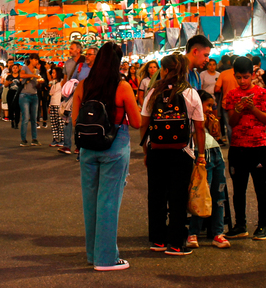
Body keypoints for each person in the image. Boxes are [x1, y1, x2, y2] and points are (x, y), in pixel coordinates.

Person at [72, 42, 141, 271]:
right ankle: (106, 258)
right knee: (109, 202)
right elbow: (137, 121)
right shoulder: (122, 87)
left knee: (90, 202)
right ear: (117, 62)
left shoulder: (84, 85)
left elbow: (74, 120)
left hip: (87, 147)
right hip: (114, 144)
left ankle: (93, 254)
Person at [140, 54, 205, 256]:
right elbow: (200, 128)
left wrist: (146, 150)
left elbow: (144, 124)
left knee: (157, 195)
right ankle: (176, 243)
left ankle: (158, 240)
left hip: (157, 150)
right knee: (178, 196)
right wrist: (201, 154)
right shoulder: (191, 93)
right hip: (182, 151)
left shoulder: (153, 92)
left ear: (165, 70)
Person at [222, 56, 266, 241]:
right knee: (238, 188)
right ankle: (240, 225)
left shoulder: (262, 93)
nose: (242, 81)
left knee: (260, 187)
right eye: (238, 77)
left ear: (252, 75)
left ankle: (263, 225)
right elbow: (232, 123)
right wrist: (238, 109)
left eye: (245, 77)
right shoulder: (232, 95)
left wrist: (253, 109)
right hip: (237, 147)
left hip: (257, 147)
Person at [188, 91, 230, 250]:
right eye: (208, 105)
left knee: (219, 194)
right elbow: (193, 136)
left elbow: (215, 135)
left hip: (215, 153)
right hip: (202, 155)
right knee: (201, 193)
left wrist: (214, 126)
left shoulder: (209, 118)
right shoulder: (192, 117)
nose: (210, 109)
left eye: (212, 106)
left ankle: (218, 232)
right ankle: (193, 232)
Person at [59, 41, 85, 155]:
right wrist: (63, 94)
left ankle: (79, 145)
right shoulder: (68, 63)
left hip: (82, 94)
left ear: (78, 50)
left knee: (81, 120)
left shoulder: (84, 62)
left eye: (72, 48)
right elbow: (65, 79)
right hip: (70, 95)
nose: (69, 50)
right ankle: (67, 145)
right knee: (68, 119)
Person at [19, 53, 43, 147]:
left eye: (37, 60)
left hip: (34, 95)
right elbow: (22, 76)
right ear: (31, 59)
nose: (37, 62)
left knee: (34, 118)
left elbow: (37, 85)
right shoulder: (24, 68)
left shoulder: (37, 71)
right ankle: (23, 139)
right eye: (35, 60)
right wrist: (34, 76)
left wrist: (39, 82)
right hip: (24, 95)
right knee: (25, 118)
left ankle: (34, 138)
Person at [214, 57, 239, 145]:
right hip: (241, 104)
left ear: (230, 63)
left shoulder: (224, 74)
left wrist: (225, 89)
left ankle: (233, 147)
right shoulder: (244, 74)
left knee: (229, 127)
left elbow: (217, 89)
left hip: (227, 104)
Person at [48, 67, 65, 147]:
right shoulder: (53, 82)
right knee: (54, 123)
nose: (52, 74)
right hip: (53, 104)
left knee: (61, 123)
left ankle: (62, 139)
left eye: (54, 73)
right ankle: (55, 138)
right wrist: (49, 106)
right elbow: (51, 94)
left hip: (59, 104)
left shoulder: (62, 82)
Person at [5, 63, 22, 129]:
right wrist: (8, 83)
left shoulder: (20, 76)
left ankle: (17, 122)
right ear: (11, 69)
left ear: (18, 69)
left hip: (18, 93)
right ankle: (12, 120)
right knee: (11, 107)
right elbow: (5, 85)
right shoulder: (9, 76)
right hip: (11, 93)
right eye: (13, 68)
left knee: (17, 108)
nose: (15, 69)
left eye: (16, 68)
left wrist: (21, 81)